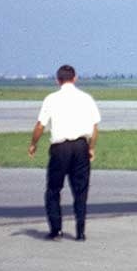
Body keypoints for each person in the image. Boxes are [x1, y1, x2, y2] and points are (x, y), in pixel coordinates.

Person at [28, 64, 101, 241]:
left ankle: (56, 230)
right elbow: (95, 127)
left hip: (60, 149)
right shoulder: (86, 98)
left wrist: (33, 144)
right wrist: (91, 147)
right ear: (75, 78)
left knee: (53, 189)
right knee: (80, 190)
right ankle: (80, 232)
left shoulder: (51, 99)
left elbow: (40, 125)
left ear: (57, 80)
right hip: (81, 147)